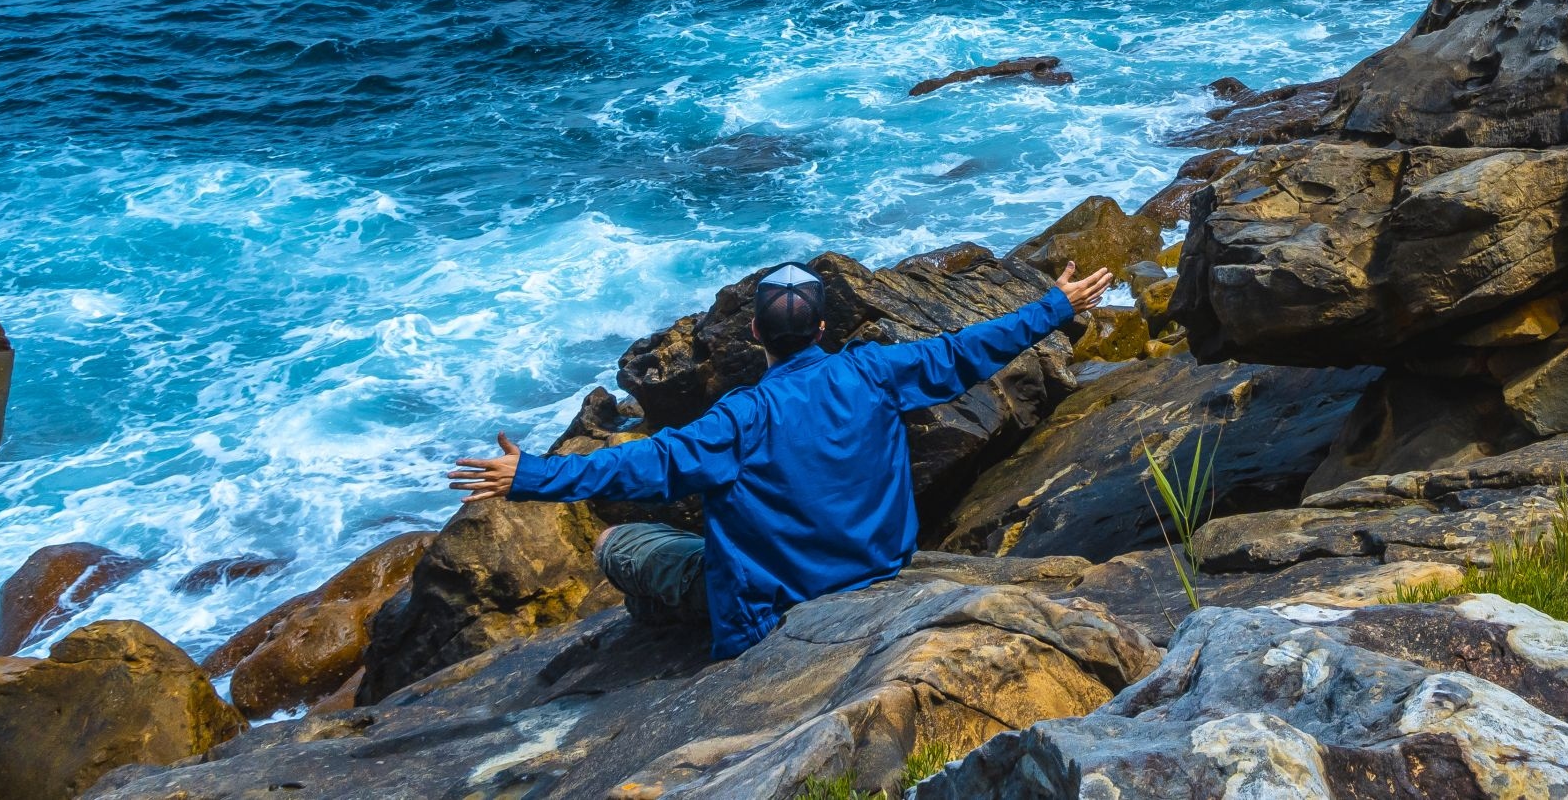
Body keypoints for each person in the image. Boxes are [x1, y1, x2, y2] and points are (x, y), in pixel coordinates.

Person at [448, 258, 1112, 660]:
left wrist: (531, 474)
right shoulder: (875, 371)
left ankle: (659, 620)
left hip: (775, 610)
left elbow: (640, 465)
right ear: (824, 328)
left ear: (757, 331)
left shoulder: (742, 417)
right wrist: (1056, 304)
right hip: (873, 572)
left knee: (619, 542)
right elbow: (969, 348)